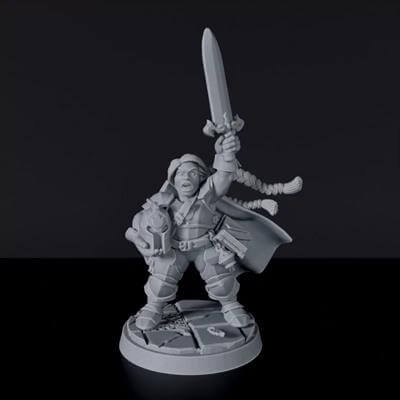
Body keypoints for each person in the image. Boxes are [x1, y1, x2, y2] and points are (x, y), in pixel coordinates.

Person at [125, 133, 254, 330]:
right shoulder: (161, 200)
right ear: (173, 179)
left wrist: (227, 154)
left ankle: (230, 305)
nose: (186, 177)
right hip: (174, 249)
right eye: (181, 173)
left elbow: (224, 176)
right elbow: (137, 223)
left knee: (221, 280)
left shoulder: (207, 196)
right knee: (162, 279)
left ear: (201, 177)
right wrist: (139, 241)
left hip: (205, 247)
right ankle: (153, 307)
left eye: (192, 173)